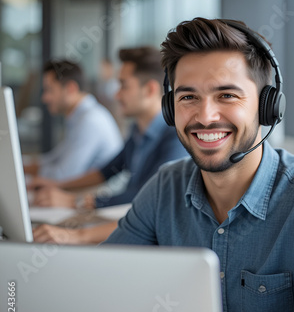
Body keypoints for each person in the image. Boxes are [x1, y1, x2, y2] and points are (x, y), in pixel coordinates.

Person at [103, 18, 294, 312]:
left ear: (268, 106)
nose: (205, 117)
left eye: (227, 95)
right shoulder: (164, 188)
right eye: (188, 97)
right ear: (170, 108)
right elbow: (103, 289)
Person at [31, 46, 188, 244]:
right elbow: (106, 171)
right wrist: (58, 186)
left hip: (145, 235)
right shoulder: (137, 132)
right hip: (124, 221)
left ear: (149, 89)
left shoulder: (175, 136)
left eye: (123, 86)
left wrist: (75, 202)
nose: (116, 94)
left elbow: (148, 195)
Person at [24, 59, 123, 181]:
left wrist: (24, 170)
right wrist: (22, 164)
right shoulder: (79, 117)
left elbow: (63, 176)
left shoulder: (90, 120)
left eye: (49, 90)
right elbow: (55, 158)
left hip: (98, 195)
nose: (44, 98)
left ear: (71, 88)